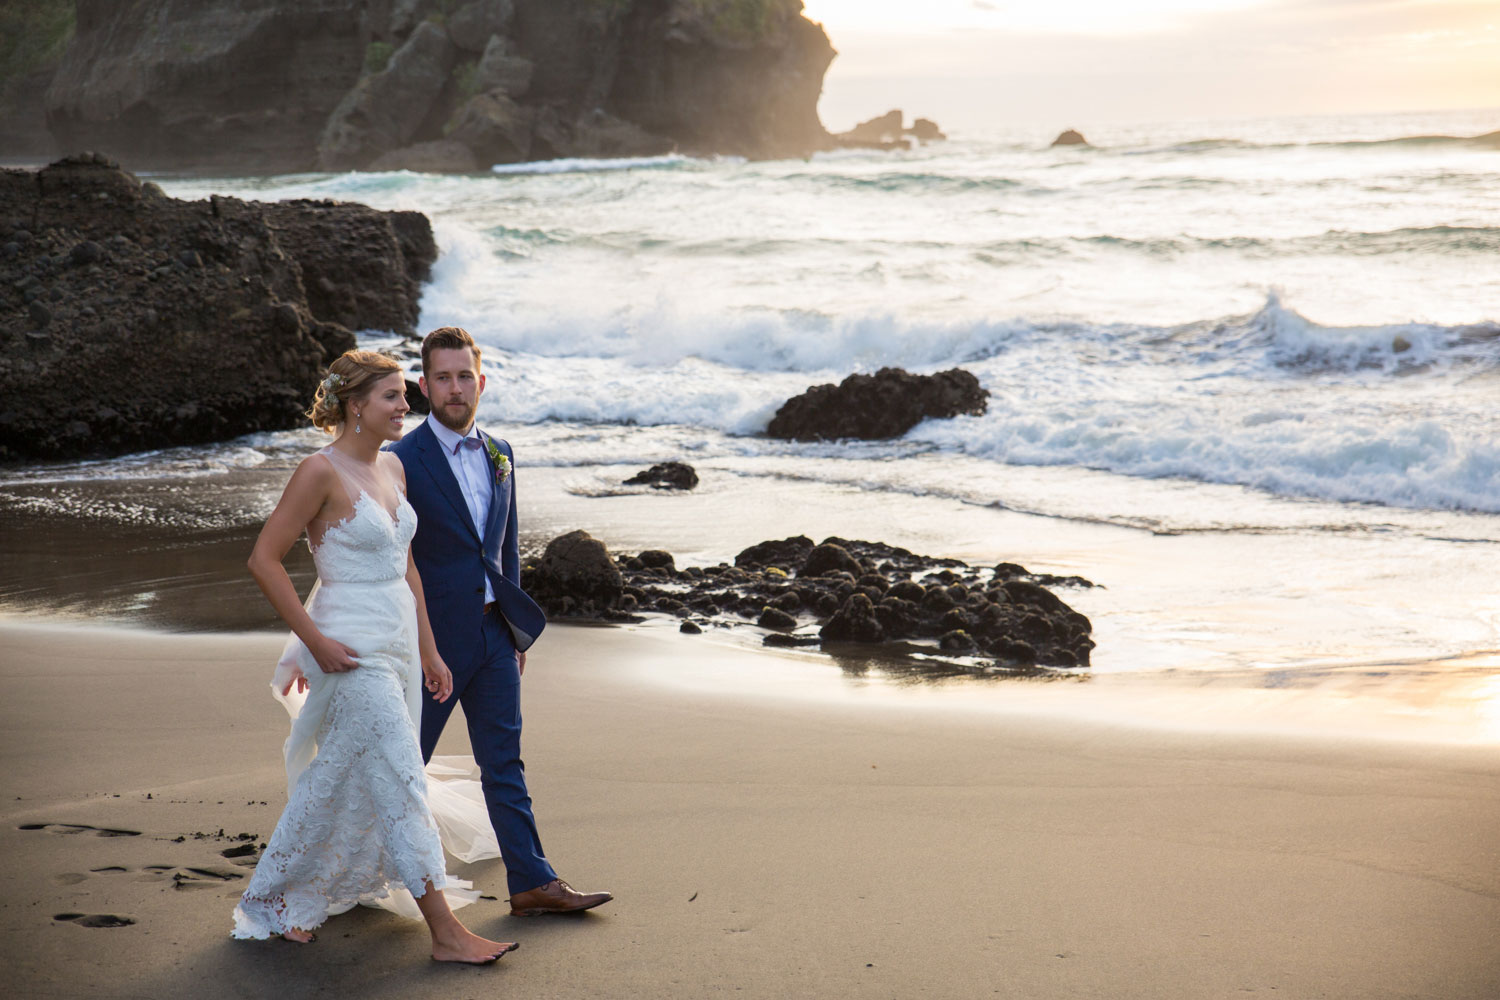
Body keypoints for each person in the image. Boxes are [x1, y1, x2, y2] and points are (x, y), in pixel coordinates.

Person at [232, 349, 518, 964]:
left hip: (397, 641)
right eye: (392, 395)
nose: (406, 404)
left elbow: (405, 563)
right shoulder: (318, 471)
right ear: (355, 405)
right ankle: (445, 932)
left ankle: (280, 898)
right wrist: (315, 641)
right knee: (401, 775)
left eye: (402, 394)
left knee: (342, 775)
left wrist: (430, 648)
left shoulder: (394, 469)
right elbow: (264, 559)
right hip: (349, 646)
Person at [389, 326, 612, 916]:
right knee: (404, 766)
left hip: (493, 636)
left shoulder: (501, 452)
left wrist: (514, 629)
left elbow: (505, 547)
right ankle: (344, 872)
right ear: (422, 385)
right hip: (430, 644)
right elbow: (393, 561)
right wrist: (415, 644)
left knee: (504, 763)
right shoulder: (399, 461)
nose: (455, 388)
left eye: (465, 376)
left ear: (481, 382)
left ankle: (533, 883)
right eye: (443, 377)